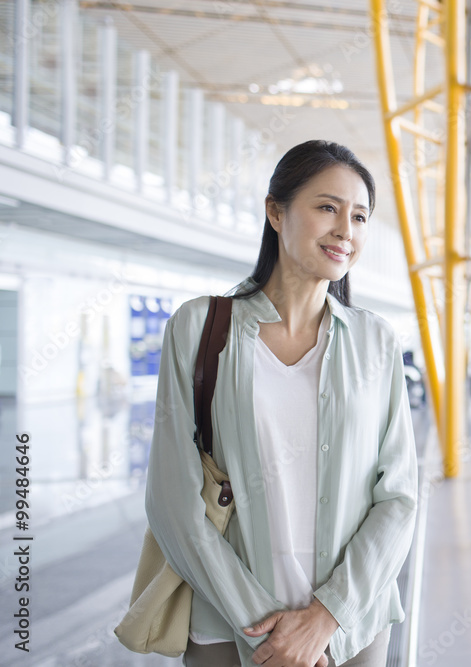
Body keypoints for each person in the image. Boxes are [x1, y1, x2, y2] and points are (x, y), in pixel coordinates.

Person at [145, 140, 419, 667]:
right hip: (228, 628)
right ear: (275, 211)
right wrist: (272, 638)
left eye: (359, 216)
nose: (346, 229)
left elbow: (399, 497)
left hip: (352, 630)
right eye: (326, 207)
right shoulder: (199, 327)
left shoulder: (376, 342)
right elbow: (172, 500)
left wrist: (325, 618)